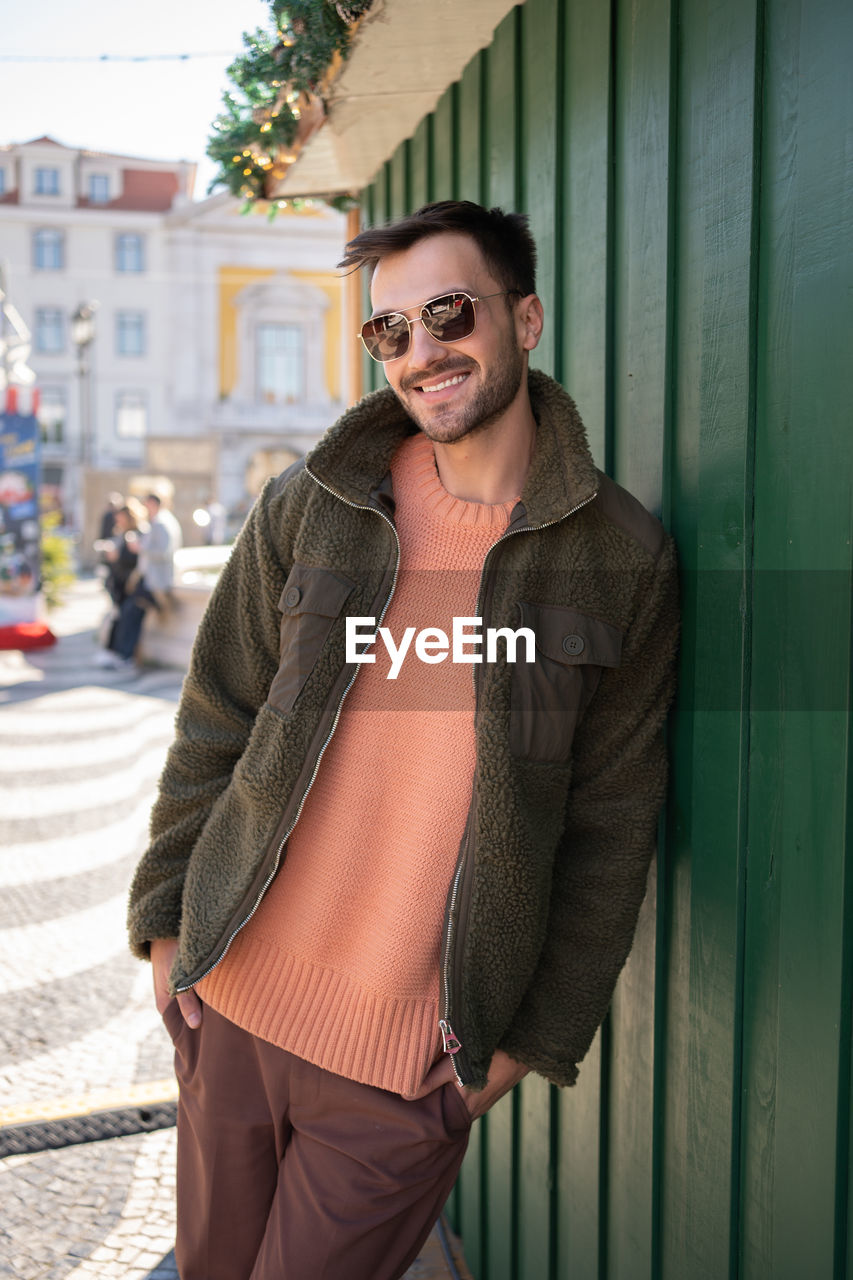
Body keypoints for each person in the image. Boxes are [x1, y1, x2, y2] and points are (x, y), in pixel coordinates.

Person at [127, 201, 679, 1280]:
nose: (422, 351)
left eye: (447, 313)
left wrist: (521, 1047)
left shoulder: (621, 557)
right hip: (230, 1002)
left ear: (522, 318)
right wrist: (165, 930)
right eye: (390, 330)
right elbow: (216, 714)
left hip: (401, 1072)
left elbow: (612, 827)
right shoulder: (314, 503)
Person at [111, 493, 182, 668]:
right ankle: (125, 655)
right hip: (150, 579)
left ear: (152, 503)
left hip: (155, 581)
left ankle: (126, 656)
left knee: (131, 611)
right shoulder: (159, 521)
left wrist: (140, 548)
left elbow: (163, 553)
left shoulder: (161, 523)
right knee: (130, 611)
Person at [93, 499, 145, 667]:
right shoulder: (121, 534)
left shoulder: (138, 533)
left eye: (121, 517)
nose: (118, 520)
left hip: (130, 584)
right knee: (117, 617)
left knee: (125, 616)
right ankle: (113, 651)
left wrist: (118, 556)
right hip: (118, 583)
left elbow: (137, 559)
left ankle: (124, 654)